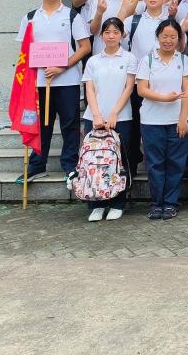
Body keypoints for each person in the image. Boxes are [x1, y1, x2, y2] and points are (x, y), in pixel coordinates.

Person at [15, 0, 92, 187]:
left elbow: (85, 47)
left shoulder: (72, 16)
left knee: (70, 124)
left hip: (67, 81)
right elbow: (24, 51)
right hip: (38, 82)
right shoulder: (30, 17)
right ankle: (37, 166)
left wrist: (62, 66)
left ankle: (70, 166)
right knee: (41, 126)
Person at [135, 18, 188, 220]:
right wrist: (164, 98)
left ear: (179, 38)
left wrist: (183, 118)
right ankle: (156, 203)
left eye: (173, 36)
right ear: (158, 37)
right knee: (154, 164)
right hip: (151, 121)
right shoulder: (147, 60)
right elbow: (141, 90)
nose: (168, 40)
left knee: (176, 164)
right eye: (165, 36)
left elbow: (187, 91)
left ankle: (170, 203)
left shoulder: (183, 60)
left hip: (176, 121)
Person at [80, 17, 136, 222]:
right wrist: (96, 115)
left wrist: (114, 113)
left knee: (119, 162)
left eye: (115, 32)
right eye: (107, 32)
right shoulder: (93, 61)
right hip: (94, 118)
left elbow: (129, 88)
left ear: (122, 35)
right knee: (94, 161)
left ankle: (118, 203)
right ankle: (96, 204)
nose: (111, 36)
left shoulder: (129, 58)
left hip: (121, 118)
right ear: (101, 35)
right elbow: (89, 88)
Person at [124, 0, 171, 176]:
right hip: (138, 82)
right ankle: (132, 165)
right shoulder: (133, 20)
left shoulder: (171, 19)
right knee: (134, 125)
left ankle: (163, 166)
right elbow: (115, 26)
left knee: (163, 125)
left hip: (164, 82)